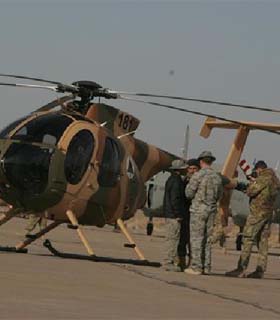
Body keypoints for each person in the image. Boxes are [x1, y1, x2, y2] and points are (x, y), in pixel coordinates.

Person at [226, 160, 280, 279]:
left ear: (259, 169)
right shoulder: (275, 180)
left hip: (257, 213)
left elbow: (251, 192)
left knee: (247, 238)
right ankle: (260, 270)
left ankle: (241, 268)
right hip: (268, 214)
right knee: (262, 242)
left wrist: (252, 182)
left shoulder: (263, 178)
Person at [184, 151, 223, 275]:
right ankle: (206, 267)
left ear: (201, 162)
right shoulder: (217, 176)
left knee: (196, 238)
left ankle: (196, 267)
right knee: (207, 239)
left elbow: (189, 193)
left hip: (198, 210)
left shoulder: (198, 175)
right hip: (211, 210)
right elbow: (220, 195)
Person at [162, 159, 188, 272]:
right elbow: (175, 199)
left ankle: (170, 260)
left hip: (169, 214)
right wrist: (178, 214)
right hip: (173, 216)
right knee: (172, 239)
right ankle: (168, 261)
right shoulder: (177, 181)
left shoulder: (171, 179)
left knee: (171, 238)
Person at [176, 158, 200, 270]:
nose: (192, 171)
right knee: (182, 238)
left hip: (196, 214)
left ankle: (193, 262)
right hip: (185, 214)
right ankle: (181, 261)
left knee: (194, 241)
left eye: (195, 168)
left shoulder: (201, 182)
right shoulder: (183, 181)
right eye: (190, 168)